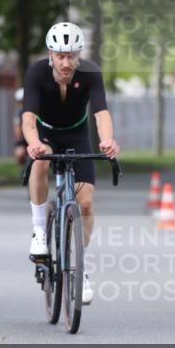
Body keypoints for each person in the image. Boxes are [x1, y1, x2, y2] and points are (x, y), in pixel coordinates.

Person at [22, 22, 120, 305]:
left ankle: (83, 270)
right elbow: (28, 117)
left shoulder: (90, 73)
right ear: (50, 54)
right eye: (60, 55)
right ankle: (40, 230)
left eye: (72, 56)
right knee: (40, 162)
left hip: (77, 134)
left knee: (86, 204)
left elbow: (101, 112)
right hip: (45, 131)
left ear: (79, 55)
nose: (66, 62)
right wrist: (33, 143)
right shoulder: (36, 72)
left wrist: (108, 140)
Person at [13, 88, 27, 165]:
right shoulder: (18, 112)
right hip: (23, 139)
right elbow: (17, 127)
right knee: (20, 153)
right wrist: (19, 140)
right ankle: (24, 168)